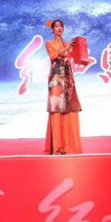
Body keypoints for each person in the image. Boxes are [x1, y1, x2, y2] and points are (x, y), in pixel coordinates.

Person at [44, 19, 82, 154]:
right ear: (52, 30)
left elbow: (73, 57)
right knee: (56, 109)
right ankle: (58, 147)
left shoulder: (67, 43)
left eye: (61, 26)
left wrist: (79, 49)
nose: (59, 28)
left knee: (69, 108)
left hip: (67, 78)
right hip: (55, 79)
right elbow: (54, 55)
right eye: (56, 26)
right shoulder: (49, 43)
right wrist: (68, 47)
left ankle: (69, 145)